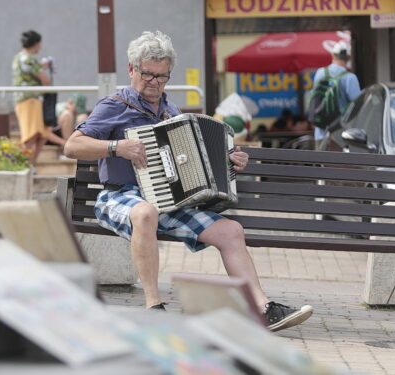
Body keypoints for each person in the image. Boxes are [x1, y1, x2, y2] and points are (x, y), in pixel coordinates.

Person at [63, 30, 313, 332]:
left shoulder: (172, 112)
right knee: (145, 212)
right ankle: (154, 305)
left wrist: (230, 159)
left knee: (231, 230)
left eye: (162, 77)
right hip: (119, 197)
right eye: (148, 75)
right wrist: (116, 147)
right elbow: (72, 146)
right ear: (131, 69)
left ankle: (262, 308)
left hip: (166, 201)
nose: (154, 83)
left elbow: (193, 163)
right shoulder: (114, 106)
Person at [12, 30, 64, 166]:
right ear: (35, 44)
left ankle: (30, 165)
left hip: (28, 100)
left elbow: (30, 70)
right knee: (32, 134)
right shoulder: (29, 59)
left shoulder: (20, 58)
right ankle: (24, 165)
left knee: (41, 134)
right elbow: (45, 80)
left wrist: (40, 66)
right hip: (30, 100)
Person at [311, 40, 362, 142]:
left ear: (332, 55)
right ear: (348, 58)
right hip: (340, 135)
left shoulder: (320, 73)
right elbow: (357, 106)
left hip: (320, 133)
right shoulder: (350, 78)